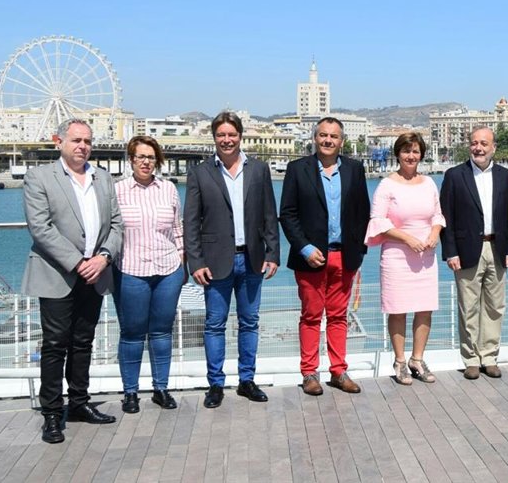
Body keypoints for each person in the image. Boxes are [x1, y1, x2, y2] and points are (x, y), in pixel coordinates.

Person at [22, 119, 122, 443]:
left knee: (83, 342)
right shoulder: (39, 177)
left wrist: (104, 257)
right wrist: (78, 263)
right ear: (59, 142)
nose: (82, 146)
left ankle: (79, 403)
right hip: (57, 274)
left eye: (87, 141)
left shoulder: (103, 178)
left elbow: (117, 225)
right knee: (55, 345)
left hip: (96, 273)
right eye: (76, 140)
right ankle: (52, 414)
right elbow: (40, 228)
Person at [184, 111, 280, 408]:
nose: (227, 140)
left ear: (240, 136)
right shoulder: (200, 173)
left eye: (232, 134)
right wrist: (196, 262)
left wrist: (273, 253)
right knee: (215, 324)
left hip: (252, 259)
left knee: (250, 322)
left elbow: (269, 214)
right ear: (214, 138)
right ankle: (215, 384)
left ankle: (247, 380)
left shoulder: (259, 169)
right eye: (221, 135)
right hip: (215, 262)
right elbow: (191, 221)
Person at [279, 117, 370, 396]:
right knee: (311, 316)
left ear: (342, 141)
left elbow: (362, 212)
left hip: (344, 256)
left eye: (333, 136)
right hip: (310, 258)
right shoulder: (297, 169)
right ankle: (309, 373)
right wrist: (305, 248)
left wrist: (359, 250)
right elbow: (288, 214)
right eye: (323, 135)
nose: (328, 140)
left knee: (339, 316)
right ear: (315, 138)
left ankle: (338, 371)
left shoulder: (355, 169)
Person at [440, 127, 508, 380]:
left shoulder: (506, 176)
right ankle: (471, 359)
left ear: (493, 147)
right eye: (475, 143)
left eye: (484, 143)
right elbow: (446, 217)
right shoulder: (454, 175)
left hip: (498, 248)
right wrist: (450, 252)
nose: (479, 148)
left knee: (495, 306)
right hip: (466, 251)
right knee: (468, 307)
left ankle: (490, 356)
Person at [114, 135, 185, 413]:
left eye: (151, 157)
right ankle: (130, 392)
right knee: (132, 334)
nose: (146, 162)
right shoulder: (118, 190)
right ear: (131, 159)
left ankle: (161, 388)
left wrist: (182, 261)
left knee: (162, 333)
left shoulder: (168, 189)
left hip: (167, 270)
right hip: (130, 270)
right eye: (140, 157)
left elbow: (177, 228)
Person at [369, 132, 446, 385]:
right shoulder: (387, 185)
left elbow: (437, 214)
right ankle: (400, 361)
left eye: (415, 151)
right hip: (397, 256)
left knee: (425, 309)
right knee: (398, 309)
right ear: (398, 154)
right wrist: (407, 239)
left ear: (421, 154)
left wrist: (435, 233)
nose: (411, 156)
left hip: (425, 255)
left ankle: (417, 359)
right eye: (406, 151)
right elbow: (378, 221)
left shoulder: (429, 183)